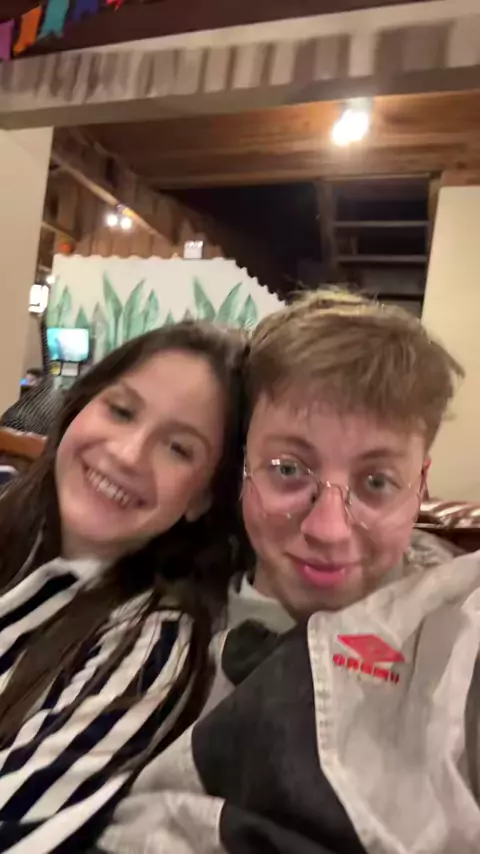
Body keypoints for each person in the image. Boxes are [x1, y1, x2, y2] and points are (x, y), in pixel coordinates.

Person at [97, 292, 480, 854]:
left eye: (376, 482)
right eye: (287, 469)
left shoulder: (463, 627)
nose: (328, 530)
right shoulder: (149, 636)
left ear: (420, 485)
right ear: (241, 466)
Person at [0, 320, 246, 853]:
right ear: (80, 406)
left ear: (203, 498)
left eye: (178, 448)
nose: (128, 454)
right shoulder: (11, 514)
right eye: (121, 410)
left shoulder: (153, 645)